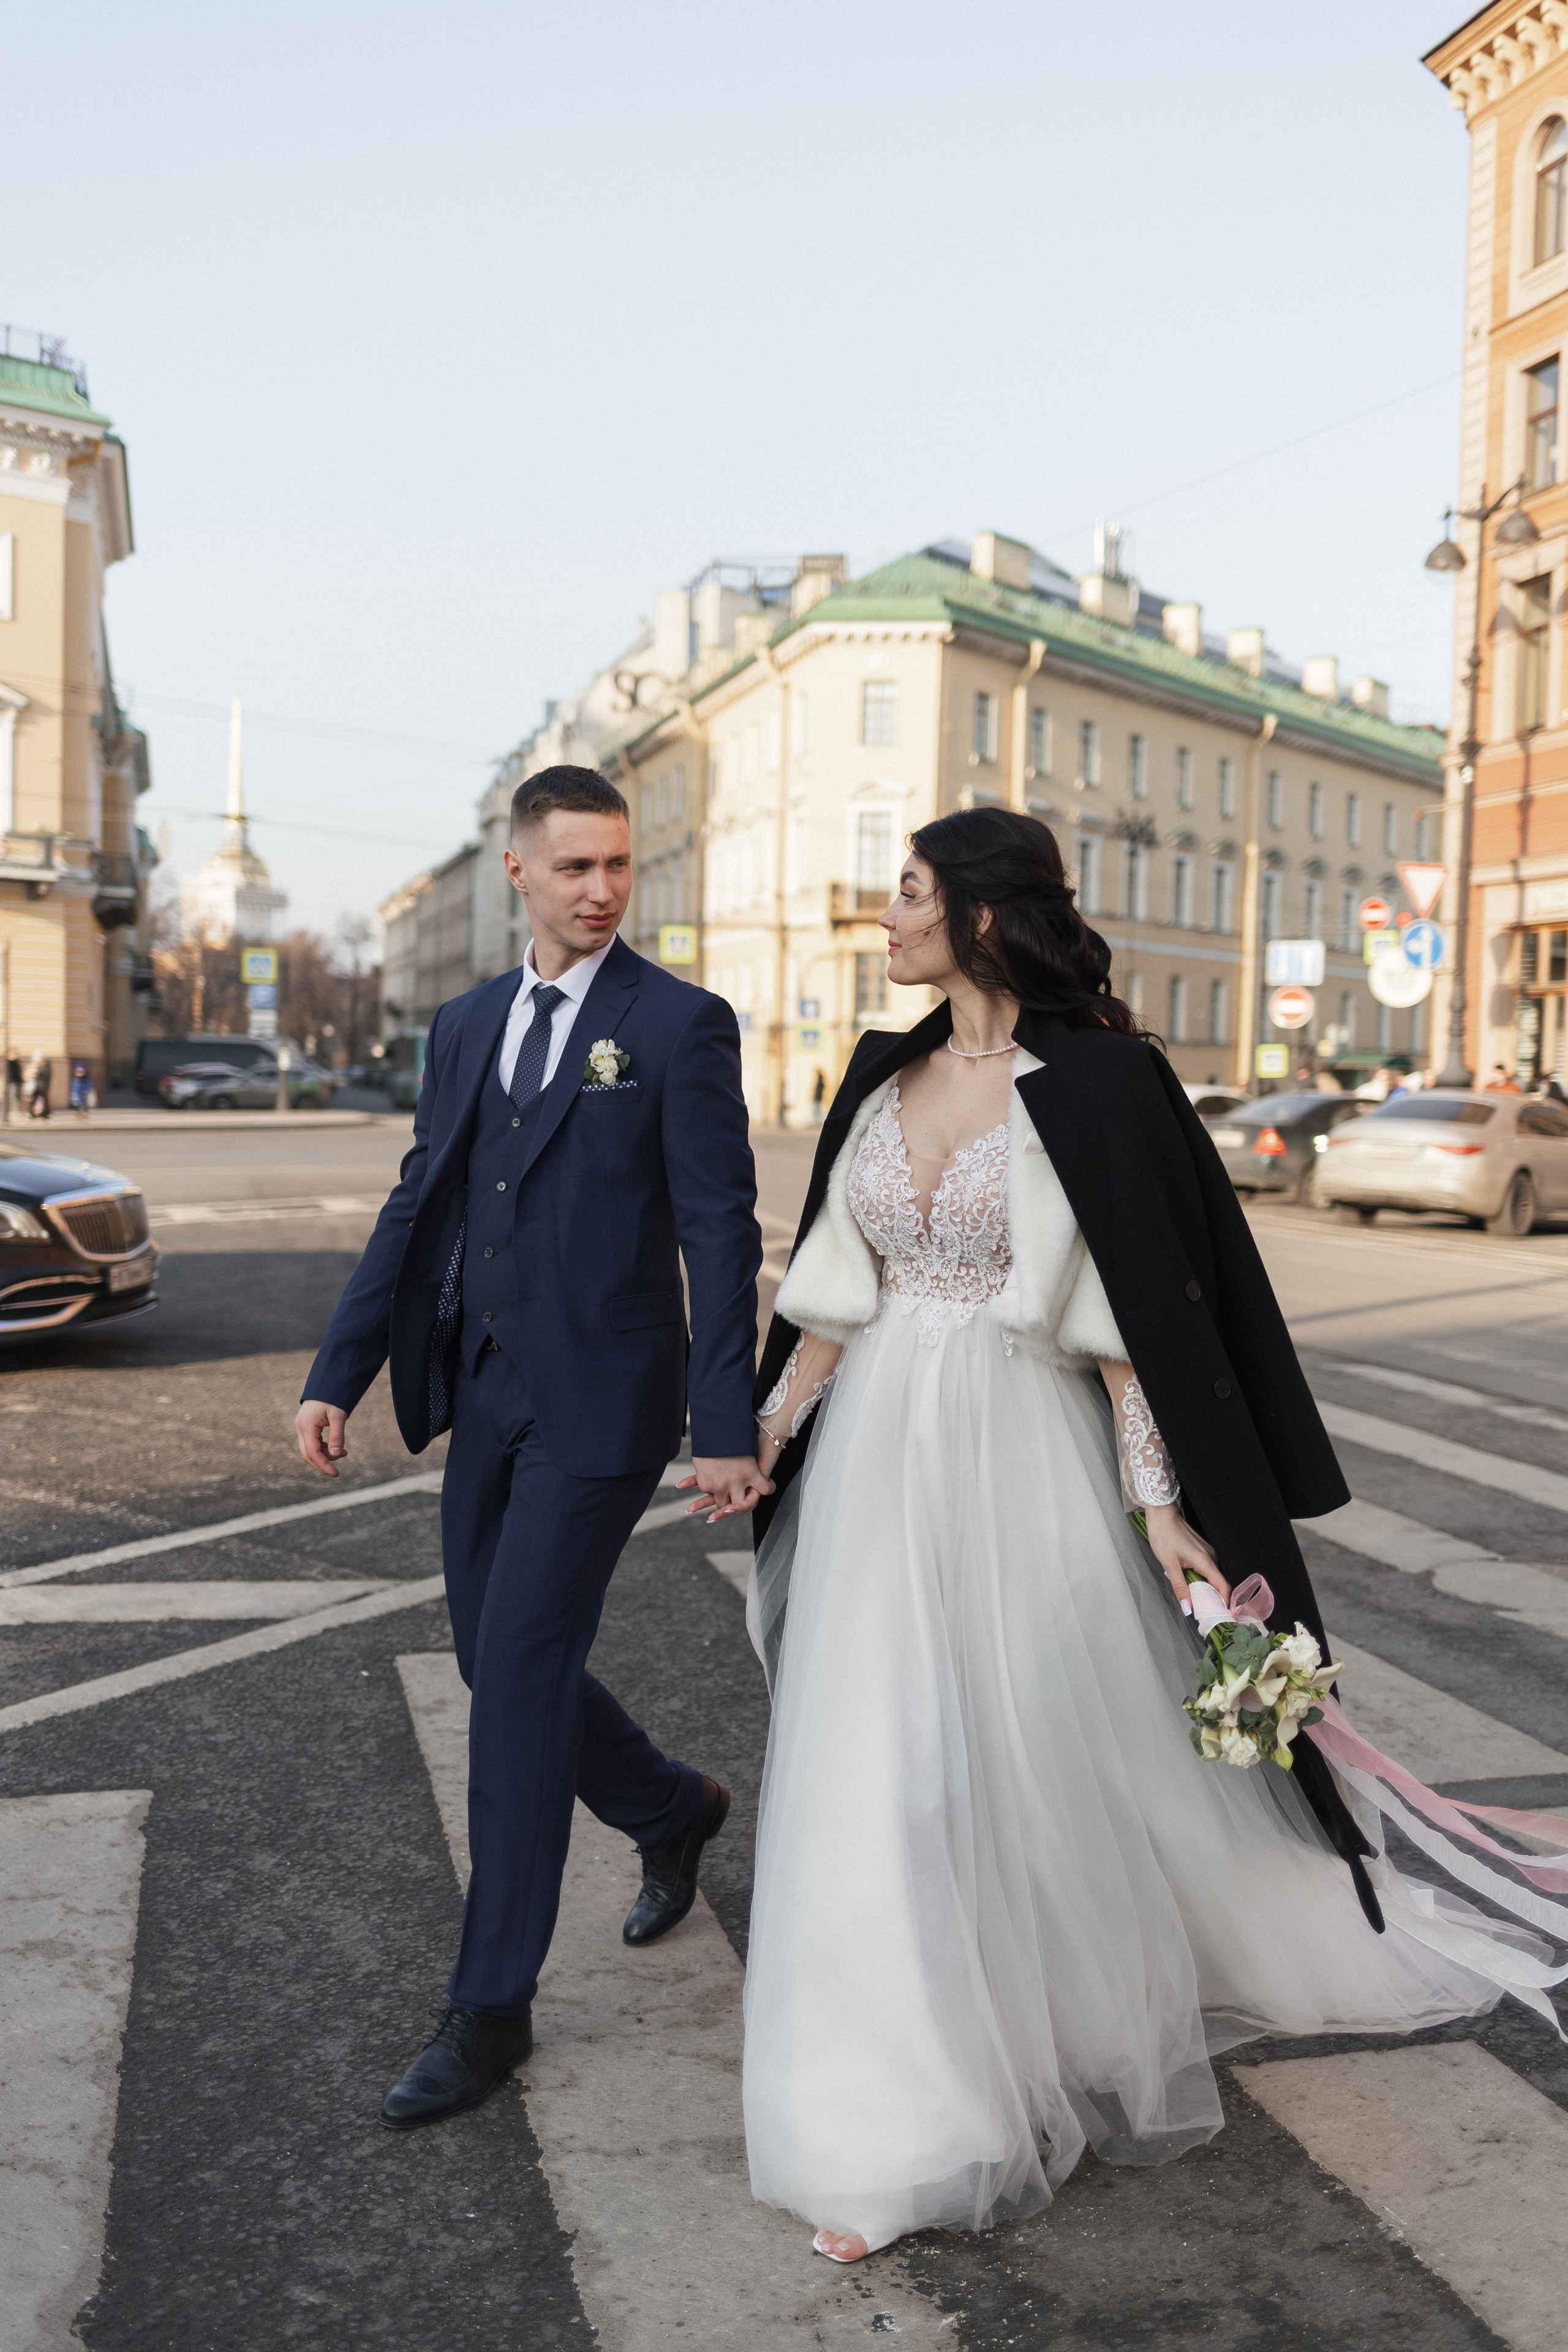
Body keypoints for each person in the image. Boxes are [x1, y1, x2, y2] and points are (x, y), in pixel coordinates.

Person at [739, 807, 1568, 2263]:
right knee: (877, 1767)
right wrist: (755, 1442)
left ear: (984, 914)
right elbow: (829, 1298)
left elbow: (1128, 1330)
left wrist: (1161, 1507)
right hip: (877, 1459)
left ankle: (999, 2047)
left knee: (988, 1764)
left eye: (909, 893)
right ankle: (896, 2113)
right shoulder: (881, 1070)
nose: (884, 918)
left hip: (1020, 1464)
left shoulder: (1105, 1083)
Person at [295, 766, 769, 2128]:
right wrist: (343, 1369)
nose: (603, 890)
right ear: (518, 871)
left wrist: (724, 1424)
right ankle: (667, 1807)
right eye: (574, 868)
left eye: (618, 866)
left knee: (509, 1684)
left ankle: (487, 2009)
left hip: (608, 1405)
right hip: (483, 1386)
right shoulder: (463, 1026)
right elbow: (415, 1205)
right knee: (493, 1649)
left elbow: (717, 1233)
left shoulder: (676, 1024)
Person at [24, 1050, 51, 1118]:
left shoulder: (46, 1066)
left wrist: (37, 1074)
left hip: (42, 1086)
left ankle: (45, 1113)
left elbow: (45, 1076)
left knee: (44, 1099)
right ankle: (32, 1113)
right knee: (33, 1100)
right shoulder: (35, 1066)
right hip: (35, 1086)